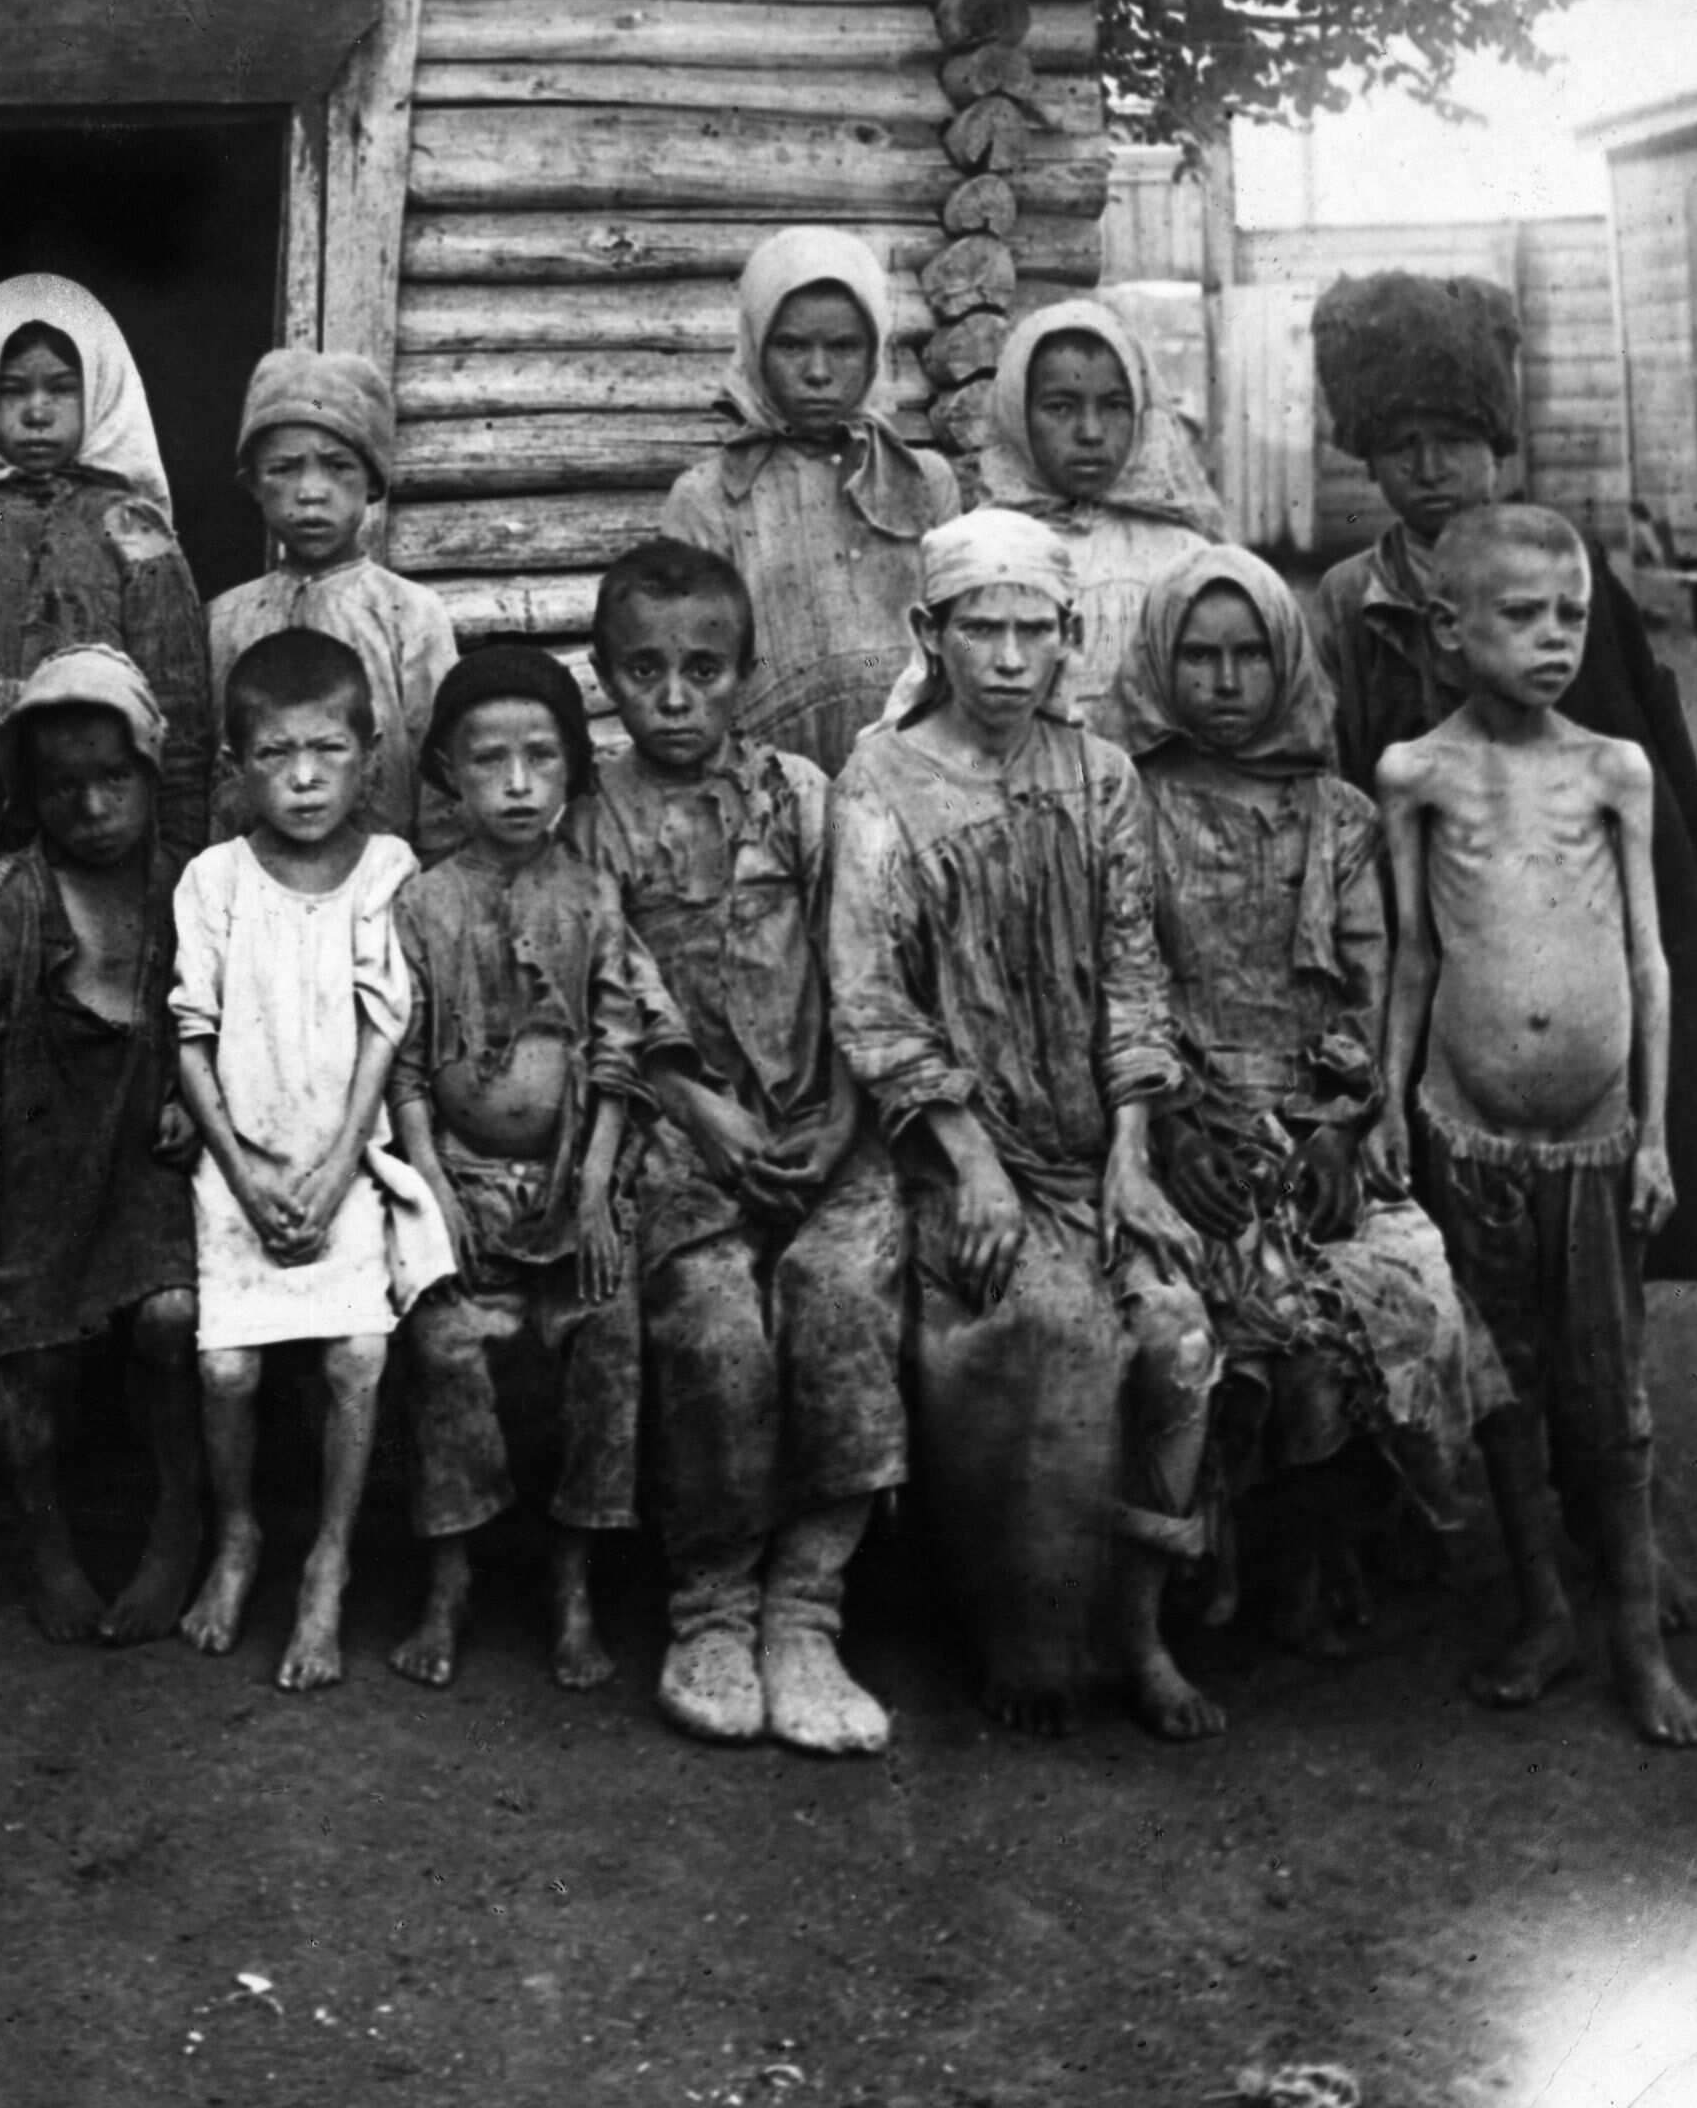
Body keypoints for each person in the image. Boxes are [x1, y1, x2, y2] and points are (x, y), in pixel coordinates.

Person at [1304, 271, 1697, 1289]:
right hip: (1426, 915)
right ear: (1366, 456)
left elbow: (1647, 748)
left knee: (1589, 1181)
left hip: (1564, 905)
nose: (1429, 465)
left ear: (1498, 443)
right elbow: (1341, 773)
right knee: (1446, 1174)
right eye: (1400, 444)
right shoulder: (1353, 602)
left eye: (1454, 437)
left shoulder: (1560, 579)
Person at [826, 508, 1221, 1741]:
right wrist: (976, 1171)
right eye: (978, 630)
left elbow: (1129, 970)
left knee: (1175, 1333)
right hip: (946, 1145)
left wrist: (1130, 1154)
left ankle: (1136, 1626)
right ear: (926, 634)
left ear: (1071, 637)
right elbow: (871, 999)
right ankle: (1024, 1625)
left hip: (1089, 1138)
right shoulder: (878, 781)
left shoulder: (1096, 776)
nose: (1005, 659)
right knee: (1045, 1325)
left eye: (1030, 632)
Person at [1105, 547, 1499, 1657]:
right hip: (1177, 1115)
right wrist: (1172, 1123)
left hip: (1313, 1115)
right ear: (1157, 660)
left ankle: (1316, 1548)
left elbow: (1369, 987)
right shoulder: (1125, 802)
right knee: (1215, 1312)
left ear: (1286, 662)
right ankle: (1206, 1570)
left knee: (1387, 1294)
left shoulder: (1335, 814)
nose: (1223, 680)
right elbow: (1116, 977)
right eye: (1198, 655)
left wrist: (1342, 1127)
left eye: (1247, 655)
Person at [1372, 505, 1697, 1747]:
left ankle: (1635, 1643)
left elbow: (1649, 959)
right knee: (1500, 1385)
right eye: (1519, 616)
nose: (1552, 638)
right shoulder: (1415, 772)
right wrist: (1389, 1106)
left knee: (1607, 1397)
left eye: (1568, 614)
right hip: (1468, 1141)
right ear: (1451, 630)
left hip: (1597, 1140)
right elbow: (1411, 953)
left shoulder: (1610, 768)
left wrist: (1657, 1135)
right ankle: (1543, 1609)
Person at [580, 540, 905, 1757]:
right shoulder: (591, 818)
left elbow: (863, 965)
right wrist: (704, 1117)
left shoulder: (804, 797)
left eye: (703, 671)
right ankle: (710, 1607)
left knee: (838, 1293)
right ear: (605, 675)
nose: (675, 699)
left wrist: (840, 1116)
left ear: (744, 673)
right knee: (713, 1323)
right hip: (675, 1139)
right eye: (645, 672)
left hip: (822, 1128)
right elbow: (606, 992)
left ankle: (806, 1608)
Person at [171, 629, 454, 1691]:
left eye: (327, 751)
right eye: (275, 754)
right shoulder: (214, 880)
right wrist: (244, 1174)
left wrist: (339, 1167)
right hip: (240, 1162)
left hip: (348, 1157)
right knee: (227, 1366)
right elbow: (189, 1037)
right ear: (237, 766)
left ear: (369, 755)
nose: (301, 777)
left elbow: (388, 1027)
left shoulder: (387, 868)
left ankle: (329, 1560)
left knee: (354, 1358)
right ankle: (239, 1534)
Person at [384, 648, 665, 1694]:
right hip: (456, 1180)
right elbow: (404, 1065)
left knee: (604, 1334)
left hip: (567, 1186)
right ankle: (450, 1577)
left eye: (538, 759)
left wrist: (594, 1187)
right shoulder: (421, 904)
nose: (513, 783)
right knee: (446, 1342)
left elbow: (619, 1048)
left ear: (572, 774)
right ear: (447, 775)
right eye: (486, 761)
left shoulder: (591, 897)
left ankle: (573, 1578)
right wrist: (431, 1186)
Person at [0, 648, 209, 1645]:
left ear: (151, 774)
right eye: (62, 785)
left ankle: (178, 1521)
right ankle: (44, 1535)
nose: (90, 805)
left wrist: (195, 1094)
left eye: (113, 778)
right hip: (41, 1162)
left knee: (170, 1321)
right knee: (34, 1357)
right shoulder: (12, 894)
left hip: (150, 1156)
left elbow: (226, 1024)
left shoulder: (189, 888)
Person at [0, 274, 212, 857]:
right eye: (13, 390)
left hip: (102, 822)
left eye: (61, 389)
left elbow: (179, 703)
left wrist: (175, 856)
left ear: (100, 390)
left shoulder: (134, 527)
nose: (37, 412)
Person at [658, 228, 961, 774]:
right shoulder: (707, 499)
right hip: (763, 783)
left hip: (915, 774)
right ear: (755, 346)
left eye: (843, 347)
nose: (818, 372)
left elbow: (955, 645)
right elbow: (690, 666)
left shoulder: (922, 483)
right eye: (791, 345)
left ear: (874, 352)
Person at [204, 349, 457, 851]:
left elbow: (442, 770)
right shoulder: (223, 619)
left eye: (338, 466)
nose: (311, 492)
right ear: (252, 483)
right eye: (285, 468)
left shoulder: (409, 614)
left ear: (373, 481)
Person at [963, 299, 1226, 724]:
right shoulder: (979, 551)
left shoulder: (1184, 556)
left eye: (1113, 406)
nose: (1090, 432)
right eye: (1061, 408)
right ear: (1018, 415)